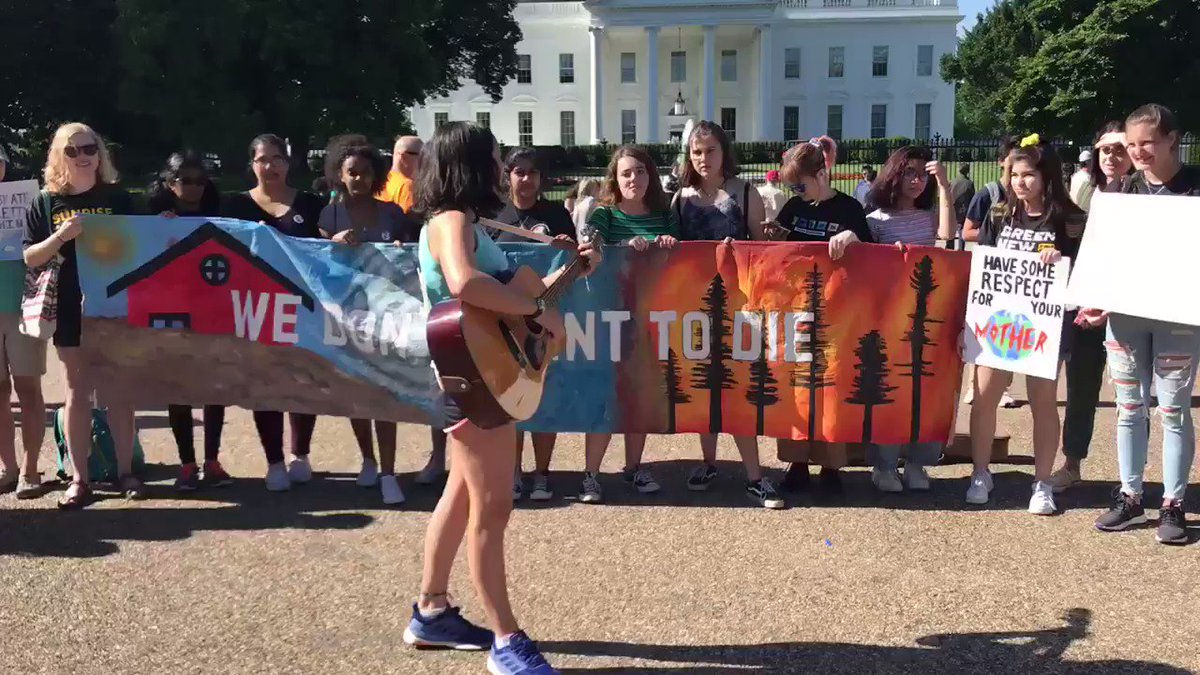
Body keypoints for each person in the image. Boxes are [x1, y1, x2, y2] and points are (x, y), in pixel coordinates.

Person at [403, 121, 599, 674]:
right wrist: (535, 308)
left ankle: (431, 611)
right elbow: (465, 284)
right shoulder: (451, 220)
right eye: (492, 158)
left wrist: (568, 276)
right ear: (469, 165)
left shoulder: (467, 222)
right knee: (492, 509)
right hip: (472, 379)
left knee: (462, 495)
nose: (500, 167)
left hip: (478, 373)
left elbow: (513, 301)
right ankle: (506, 640)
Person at [1093, 104, 1200, 545]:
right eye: (1132, 144)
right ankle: (1131, 494)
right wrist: (1095, 298)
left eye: (1147, 143)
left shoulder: (1195, 187)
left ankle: (1173, 503)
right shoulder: (1123, 189)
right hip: (1126, 314)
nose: (1137, 152)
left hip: (1179, 316)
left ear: (1173, 139)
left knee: (1173, 410)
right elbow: (1105, 252)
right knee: (1129, 407)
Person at [22, 123, 143, 508]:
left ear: (100, 152)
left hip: (115, 305)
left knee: (118, 390)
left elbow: (144, 245)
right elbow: (30, 257)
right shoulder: (47, 201)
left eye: (89, 148)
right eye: (71, 150)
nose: (82, 156)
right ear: (59, 156)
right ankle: (79, 479)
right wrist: (61, 236)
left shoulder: (118, 197)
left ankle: (126, 472)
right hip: (69, 305)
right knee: (77, 390)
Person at [966, 135, 1084, 514]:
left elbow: (1084, 276)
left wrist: (1060, 264)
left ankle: (1042, 482)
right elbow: (984, 267)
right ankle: (980, 473)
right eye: (1015, 174)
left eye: (1028, 174)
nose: (1020, 182)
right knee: (984, 397)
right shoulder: (1000, 214)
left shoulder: (1069, 220)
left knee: (1043, 403)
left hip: (1045, 327)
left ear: (1047, 176)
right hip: (997, 324)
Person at [671, 121, 782, 509]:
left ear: (724, 152)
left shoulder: (745, 192)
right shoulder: (679, 198)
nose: (703, 158)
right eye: (696, 152)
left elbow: (762, 252)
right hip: (695, 304)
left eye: (710, 150)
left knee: (738, 389)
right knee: (704, 386)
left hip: (739, 304)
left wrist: (749, 248)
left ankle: (755, 476)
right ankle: (708, 462)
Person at [766, 137, 873, 496]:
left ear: (821, 174)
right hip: (795, 308)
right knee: (795, 385)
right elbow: (779, 254)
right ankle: (796, 463)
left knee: (831, 386)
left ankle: (831, 465)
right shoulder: (794, 207)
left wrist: (853, 237)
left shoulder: (849, 208)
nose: (796, 193)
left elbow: (873, 254)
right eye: (791, 187)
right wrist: (773, 236)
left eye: (800, 185)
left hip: (836, 310)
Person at [318, 141, 419, 505]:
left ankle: (389, 473)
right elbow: (314, 259)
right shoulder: (329, 215)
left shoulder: (392, 213)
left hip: (387, 317)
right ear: (339, 175)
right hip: (346, 316)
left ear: (376, 175)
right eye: (352, 172)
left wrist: (400, 247)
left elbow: (412, 252)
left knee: (384, 394)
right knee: (356, 392)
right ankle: (368, 460)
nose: (358, 179)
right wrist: (332, 242)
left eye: (365, 172)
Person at [222, 134, 324, 492]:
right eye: (263, 159)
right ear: (252, 164)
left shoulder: (311, 203)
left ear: (288, 162)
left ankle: (300, 454)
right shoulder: (235, 205)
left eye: (278, 158)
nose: (271, 166)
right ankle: (274, 461)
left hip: (303, 308)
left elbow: (327, 249)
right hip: (256, 308)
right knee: (264, 383)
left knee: (303, 379)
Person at [579, 145, 678, 504]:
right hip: (610, 315)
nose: (633, 179)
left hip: (650, 316)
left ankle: (634, 467)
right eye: (625, 173)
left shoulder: (665, 216)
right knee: (606, 396)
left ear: (650, 175)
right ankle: (591, 474)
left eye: (639, 171)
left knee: (639, 394)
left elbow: (677, 260)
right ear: (615, 180)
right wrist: (620, 246)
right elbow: (590, 247)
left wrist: (668, 246)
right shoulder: (605, 214)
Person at [863, 146, 955, 493]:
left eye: (922, 175)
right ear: (894, 174)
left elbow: (947, 233)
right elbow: (867, 268)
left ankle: (918, 462)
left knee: (927, 391)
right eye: (909, 173)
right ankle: (884, 465)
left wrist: (944, 185)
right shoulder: (876, 220)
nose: (917, 181)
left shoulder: (928, 217)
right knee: (890, 390)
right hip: (890, 317)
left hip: (928, 316)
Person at [1046, 121, 1132, 494]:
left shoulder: (1142, 191)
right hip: (1086, 303)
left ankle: (1133, 476)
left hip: (1129, 305)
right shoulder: (1085, 188)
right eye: (1104, 149)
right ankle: (1072, 463)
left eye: (1120, 149)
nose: (1111, 156)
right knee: (1081, 386)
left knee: (1133, 395)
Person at [493, 147, 575, 501]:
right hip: (504, 320)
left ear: (542, 178)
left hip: (546, 318)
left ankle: (542, 473)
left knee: (544, 397)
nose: (526, 179)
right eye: (519, 172)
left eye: (533, 172)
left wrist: (569, 247)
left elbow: (573, 262)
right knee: (512, 397)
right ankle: (513, 471)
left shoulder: (556, 214)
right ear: (508, 176)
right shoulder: (494, 214)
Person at [147, 152, 231, 491]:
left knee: (214, 388)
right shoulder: (155, 222)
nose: (194, 187)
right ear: (170, 183)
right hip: (172, 314)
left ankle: (212, 461)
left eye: (201, 181)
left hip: (213, 312)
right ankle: (186, 464)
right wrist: (159, 229)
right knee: (178, 388)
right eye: (186, 180)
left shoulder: (220, 219)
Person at [0, 144, 48, 500]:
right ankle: (8, 468)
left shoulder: (27, 202)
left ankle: (30, 470)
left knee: (28, 388)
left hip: (23, 308)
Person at [961, 135, 1022, 408]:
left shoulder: (1030, 195)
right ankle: (974, 386)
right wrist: (999, 234)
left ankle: (1003, 387)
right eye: (1012, 160)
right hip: (990, 272)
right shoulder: (988, 194)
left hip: (1017, 274)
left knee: (1010, 330)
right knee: (983, 330)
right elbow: (967, 231)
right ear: (1001, 162)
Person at [381, 135, 423, 212]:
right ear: (403, 156)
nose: (425, 159)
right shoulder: (407, 186)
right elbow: (411, 217)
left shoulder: (381, 181)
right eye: (422, 155)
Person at [949, 163, 976, 250]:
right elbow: (973, 197)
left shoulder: (953, 181)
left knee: (951, 229)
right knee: (962, 230)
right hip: (964, 209)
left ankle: (949, 248)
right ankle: (961, 249)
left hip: (953, 208)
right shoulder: (969, 183)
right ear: (967, 171)